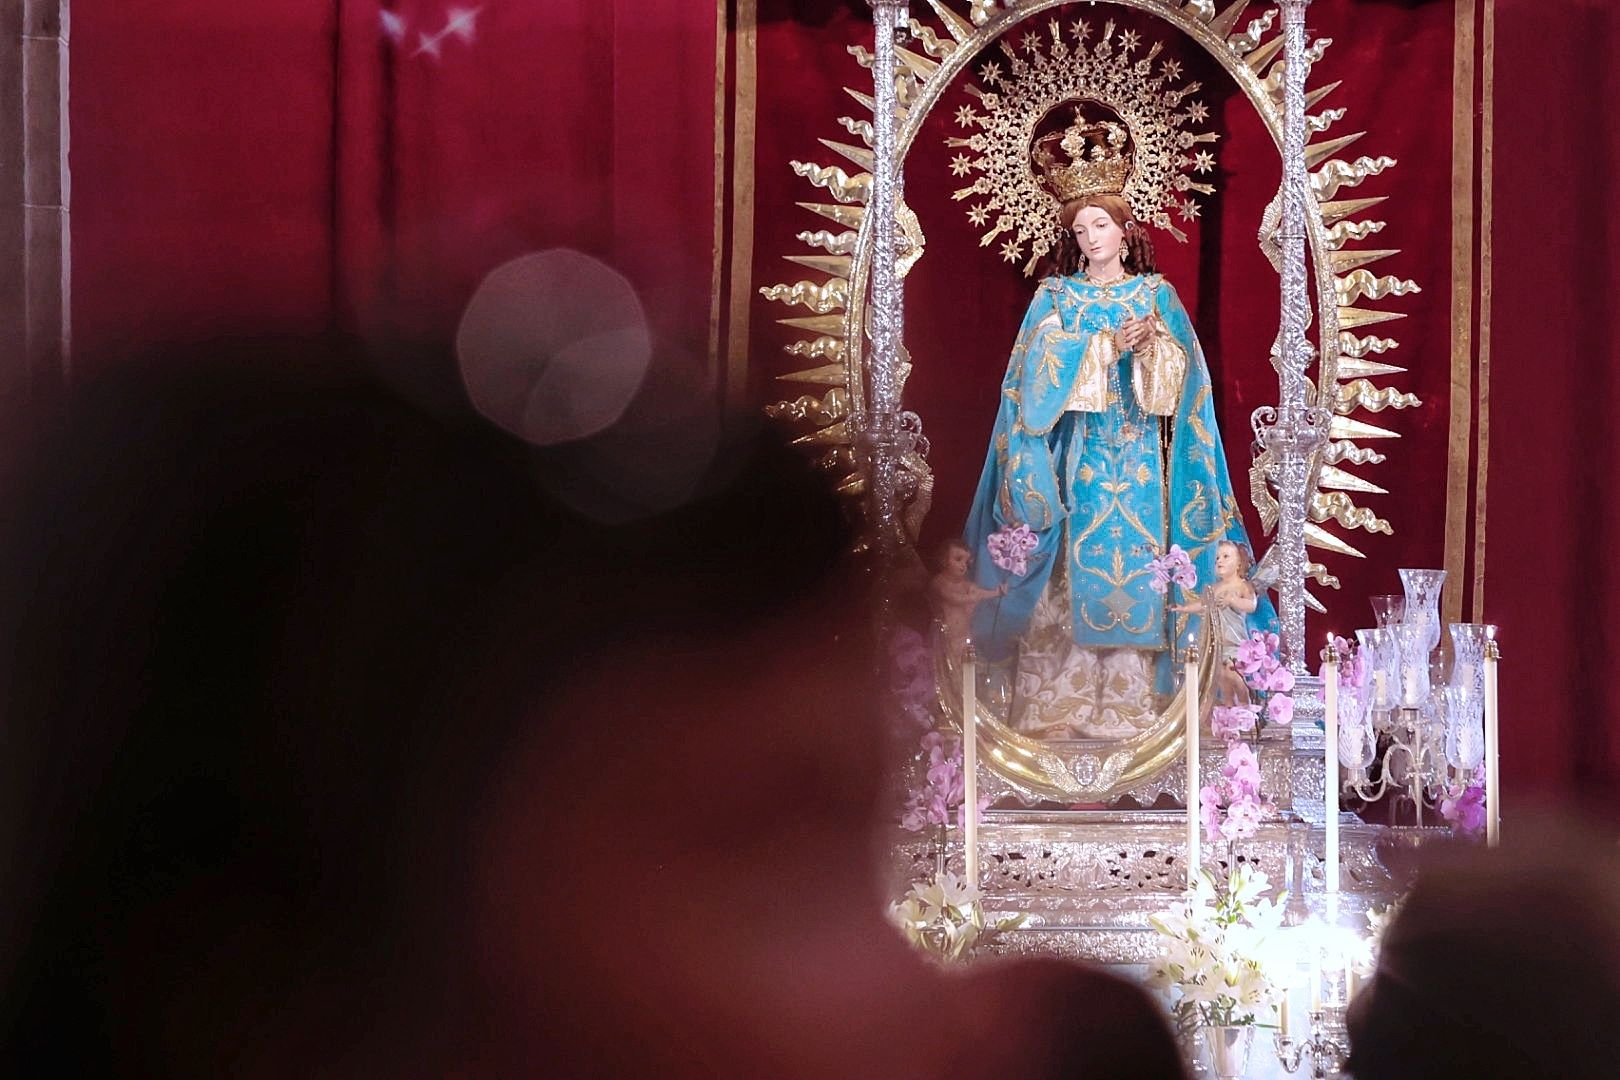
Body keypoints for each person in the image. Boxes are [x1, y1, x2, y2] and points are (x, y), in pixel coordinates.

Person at [962, 184, 1269, 737]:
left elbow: (1188, 381)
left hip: (1144, 458)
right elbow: (1034, 373)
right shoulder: (1056, 295)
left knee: (1145, 564)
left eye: (1100, 225)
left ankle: (1143, 702)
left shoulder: (1156, 294)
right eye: (1080, 230)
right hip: (1078, 456)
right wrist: (1104, 346)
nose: (1090, 238)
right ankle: (1064, 699)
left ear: (1125, 231)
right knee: (1072, 565)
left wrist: (1152, 344)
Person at [1171, 540, 1259, 707]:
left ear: (1239, 563)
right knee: (1222, 678)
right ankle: (1229, 709)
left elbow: (1251, 605)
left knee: (1233, 673)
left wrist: (1232, 600)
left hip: (1235, 642)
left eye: (1226, 557)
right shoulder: (1214, 588)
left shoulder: (1242, 586)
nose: (1220, 561)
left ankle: (1245, 704)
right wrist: (1184, 608)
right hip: (1217, 643)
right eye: (1218, 558)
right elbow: (1203, 605)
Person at [929, 538, 1006, 665]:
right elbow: (954, 598)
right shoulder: (939, 582)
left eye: (966, 562)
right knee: (945, 667)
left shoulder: (965, 585)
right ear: (944, 560)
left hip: (963, 636)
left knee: (964, 666)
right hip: (944, 638)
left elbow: (980, 593)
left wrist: (996, 592)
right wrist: (972, 598)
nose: (963, 565)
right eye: (958, 559)